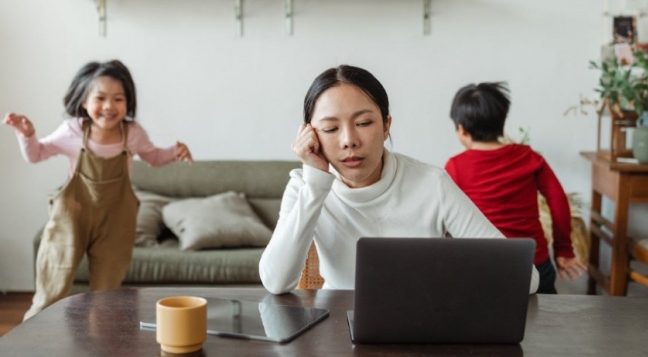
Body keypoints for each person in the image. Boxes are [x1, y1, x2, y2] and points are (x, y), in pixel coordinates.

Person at [259, 65, 539, 295]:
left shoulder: (432, 184)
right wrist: (316, 184)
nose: (349, 141)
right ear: (311, 135)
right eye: (331, 128)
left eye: (364, 123)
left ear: (386, 126)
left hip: (421, 324)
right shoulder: (304, 186)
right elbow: (275, 282)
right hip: (336, 328)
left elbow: (526, 278)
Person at [3, 60, 193, 320]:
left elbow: (154, 157)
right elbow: (36, 154)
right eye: (100, 98)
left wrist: (174, 152)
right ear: (83, 101)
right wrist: (27, 135)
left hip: (115, 221)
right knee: (50, 291)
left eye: (118, 99)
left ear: (128, 103)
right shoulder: (72, 131)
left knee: (106, 298)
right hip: (71, 217)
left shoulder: (132, 134)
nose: (108, 106)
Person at [444, 82, 586, 294]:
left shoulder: (455, 167)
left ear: (462, 130)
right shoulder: (530, 157)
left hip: (483, 268)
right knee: (544, 324)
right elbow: (558, 201)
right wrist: (563, 249)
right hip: (534, 264)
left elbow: (446, 217)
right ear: (502, 122)